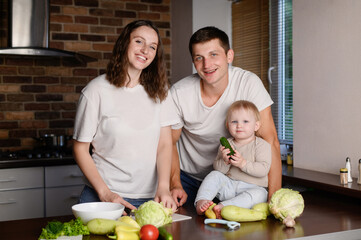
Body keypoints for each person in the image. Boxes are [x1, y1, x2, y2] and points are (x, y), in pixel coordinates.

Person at [72, 20, 177, 212]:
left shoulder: (161, 91)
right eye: (139, 42)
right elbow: (80, 148)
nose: (145, 50)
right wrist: (105, 193)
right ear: (124, 44)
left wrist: (164, 187)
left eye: (152, 47)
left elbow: (164, 144)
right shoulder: (95, 91)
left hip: (150, 200)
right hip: (104, 197)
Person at [170, 26, 281, 207]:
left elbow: (271, 141)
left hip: (238, 181)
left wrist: (274, 200)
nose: (207, 65)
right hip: (187, 179)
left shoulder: (248, 83)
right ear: (193, 61)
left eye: (214, 55)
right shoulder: (179, 92)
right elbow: (169, 143)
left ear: (229, 56)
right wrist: (174, 184)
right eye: (199, 58)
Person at [195, 100, 271, 218]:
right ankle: (202, 201)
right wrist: (225, 162)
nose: (239, 125)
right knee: (214, 175)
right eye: (234, 121)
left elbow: (263, 169)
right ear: (227, 125)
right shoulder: (226, 144)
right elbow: (218, 168)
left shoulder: (262, 145)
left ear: (256, 125)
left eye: (245, 121)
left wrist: (243, 164)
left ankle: (223, 207)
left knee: (261, 194)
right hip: (229, 186)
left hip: (252, 187)